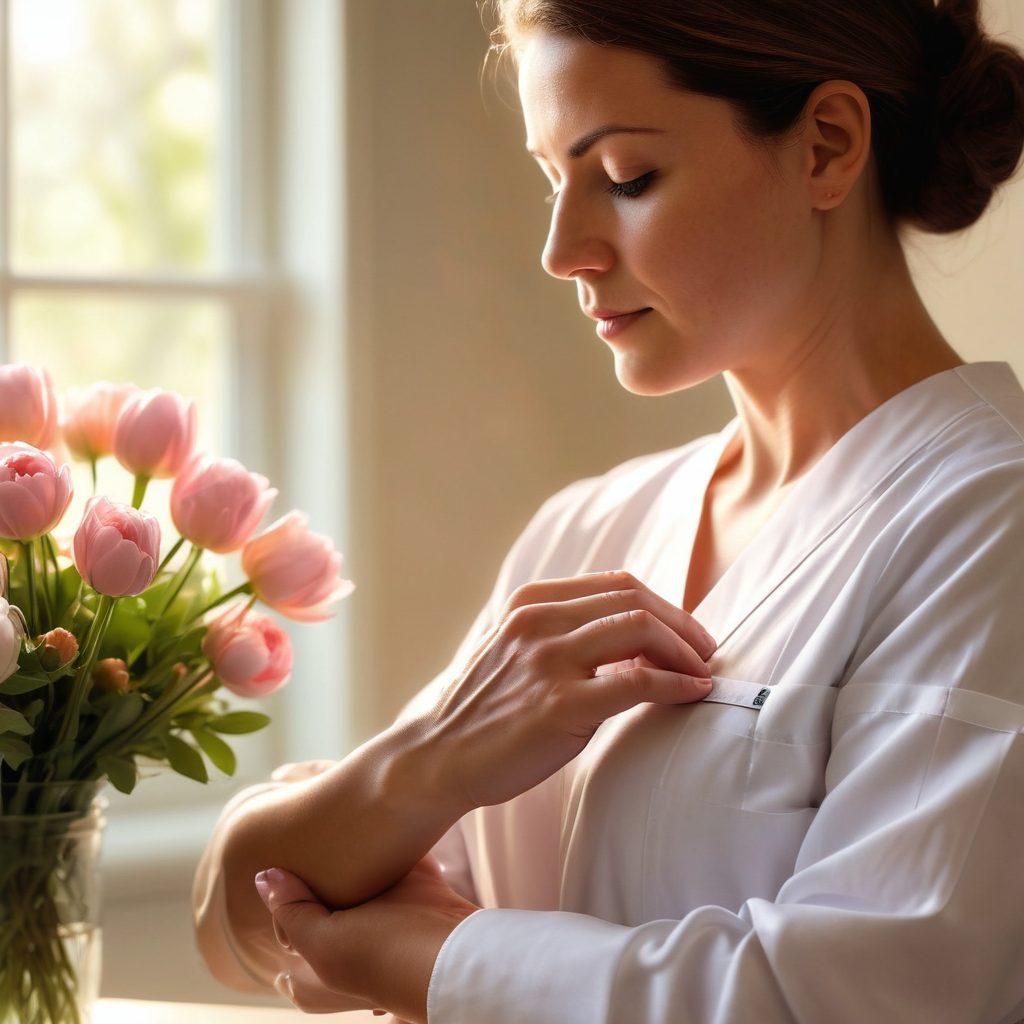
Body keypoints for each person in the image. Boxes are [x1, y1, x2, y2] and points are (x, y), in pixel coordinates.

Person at [194, 1, 1024, 1021]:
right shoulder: (585, 529)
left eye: (627, 177)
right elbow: (237, 917)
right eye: (554, 179)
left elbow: (859, 997)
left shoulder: (992, 518)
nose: (560, 248)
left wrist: (422, 954)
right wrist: (432, 758)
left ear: (826, 145)